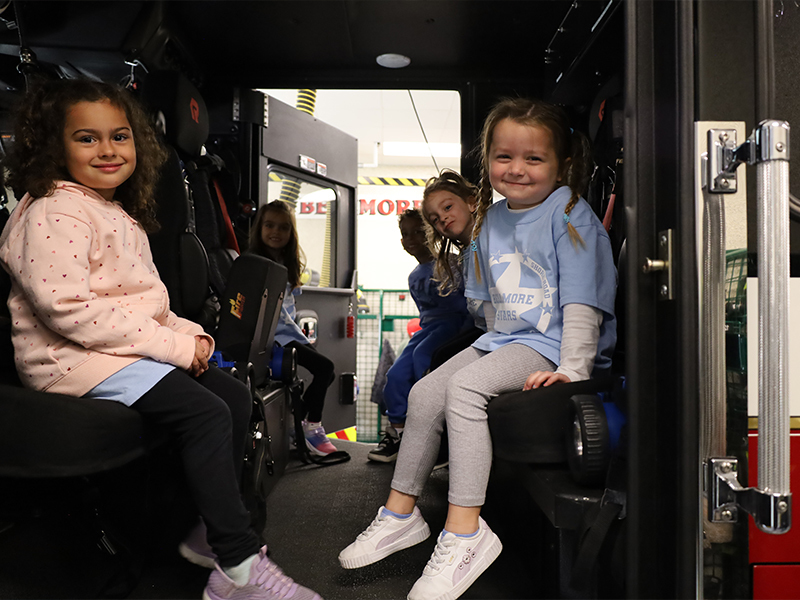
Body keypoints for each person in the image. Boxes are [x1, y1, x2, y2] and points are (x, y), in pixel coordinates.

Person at [0, 78, 321, 600]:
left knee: (233, 395)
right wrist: (172, 348)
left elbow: (148, 304)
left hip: (112, 353)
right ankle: (236, 567)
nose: (107, 150)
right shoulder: (54, 211)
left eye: (119, 136)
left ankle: (204, 528)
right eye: (87, 138)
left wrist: (194, 339)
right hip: (70, 360)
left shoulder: (115, 213)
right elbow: (67, 310)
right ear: (52, 145)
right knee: (206, 411)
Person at [338, 97, 617, 600]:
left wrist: (573, 370)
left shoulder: (571, 213)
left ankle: (466, 532)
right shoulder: (490, 222)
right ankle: (401, 516)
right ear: (487, 159)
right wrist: (493, 342)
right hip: (507, 339)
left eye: (534, 159)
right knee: (425, 393)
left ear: (561, 164)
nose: (517, 169)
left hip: (553, 345)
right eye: (504, 156)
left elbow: (581, 303)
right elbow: (487, 309)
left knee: (464, 389)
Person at [368, 208, 471, 463]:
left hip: (454, 326)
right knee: (395, 375)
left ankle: (435, 432)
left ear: (432, 233)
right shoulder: (414, 276)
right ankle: (400, 435)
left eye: (418, 232)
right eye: (405, 234)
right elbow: (426, 316)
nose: (411, 239)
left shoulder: (452, 263)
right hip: (429, 329)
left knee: (423, 359)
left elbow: (467, 305)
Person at [249, 200, 338, 456]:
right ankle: (312, 426)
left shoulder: (286, 263)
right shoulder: (256, 263)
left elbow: (289, 311)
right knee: (326, 368)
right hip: (273, 339)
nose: (276, 232)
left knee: (326, 372)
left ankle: (298, 422)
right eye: (269, 225)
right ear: (259, 228)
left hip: (288, 334)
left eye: (283, 227)